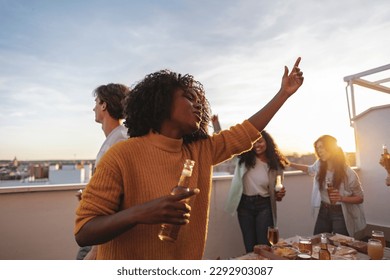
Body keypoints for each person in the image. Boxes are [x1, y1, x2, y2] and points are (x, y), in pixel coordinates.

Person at [74, 57, 304, 260]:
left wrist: (283, 94)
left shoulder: (201, 150)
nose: (197, 105)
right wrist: (141, 213)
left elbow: (246, 131)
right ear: (160, 102)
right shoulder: (121, 154)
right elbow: (84, 231)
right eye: (188, 97)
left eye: (198, 101)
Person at [76, 83, 130, 260]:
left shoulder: (119, 141)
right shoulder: (116, 137)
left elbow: (121, 200)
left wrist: (95, 252)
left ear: (104, 105)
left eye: (96, 102)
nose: (93, 108)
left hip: (105, 237)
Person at [289, 135, 366, 237]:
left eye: (322, 147)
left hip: (340, 212)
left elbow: (360, 198)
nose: (319, 150)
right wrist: (289, 164)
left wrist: (341, 198)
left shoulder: (348, 173)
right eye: (317, 148)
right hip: (324, 209)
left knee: (341, 245)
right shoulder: (320, 165)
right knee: (318, 241)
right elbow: (309, 169)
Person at [225, 130, 288, 253]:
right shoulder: (243, 159)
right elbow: (227, 147)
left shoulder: (276, 166)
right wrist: (216, 125)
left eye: (260, 141)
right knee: (250, 247)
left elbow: (277, 194)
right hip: (244, 206)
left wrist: (279, 194)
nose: (257, 145)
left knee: (264, 246)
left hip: (264, 206)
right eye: (253, 143)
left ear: (267, 142)